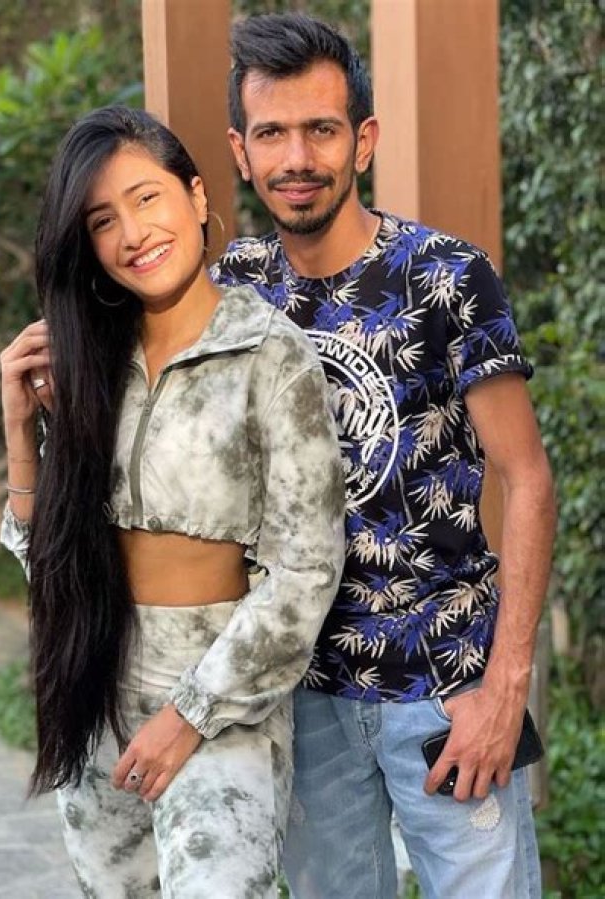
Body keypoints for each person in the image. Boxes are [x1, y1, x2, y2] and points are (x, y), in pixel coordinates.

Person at [214, 13, 556, 899]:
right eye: (272, 134)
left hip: (447, 685)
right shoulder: (233, 291)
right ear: (241, 152)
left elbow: (526, 476)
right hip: (303, 697)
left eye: (321, 130)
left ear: (362, 140)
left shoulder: (445, 274)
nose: (298, 157)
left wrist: (506, 684)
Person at [0, 104, 345, 899]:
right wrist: (22, 429)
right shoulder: (91, 360)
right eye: (102, 220)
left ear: (195, 195)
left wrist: (188, 712)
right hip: (97, 684)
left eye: (147, 198)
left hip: (224, 692)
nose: (132, 233)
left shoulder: (272, 355)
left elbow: (306, 574)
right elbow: (48, 563)